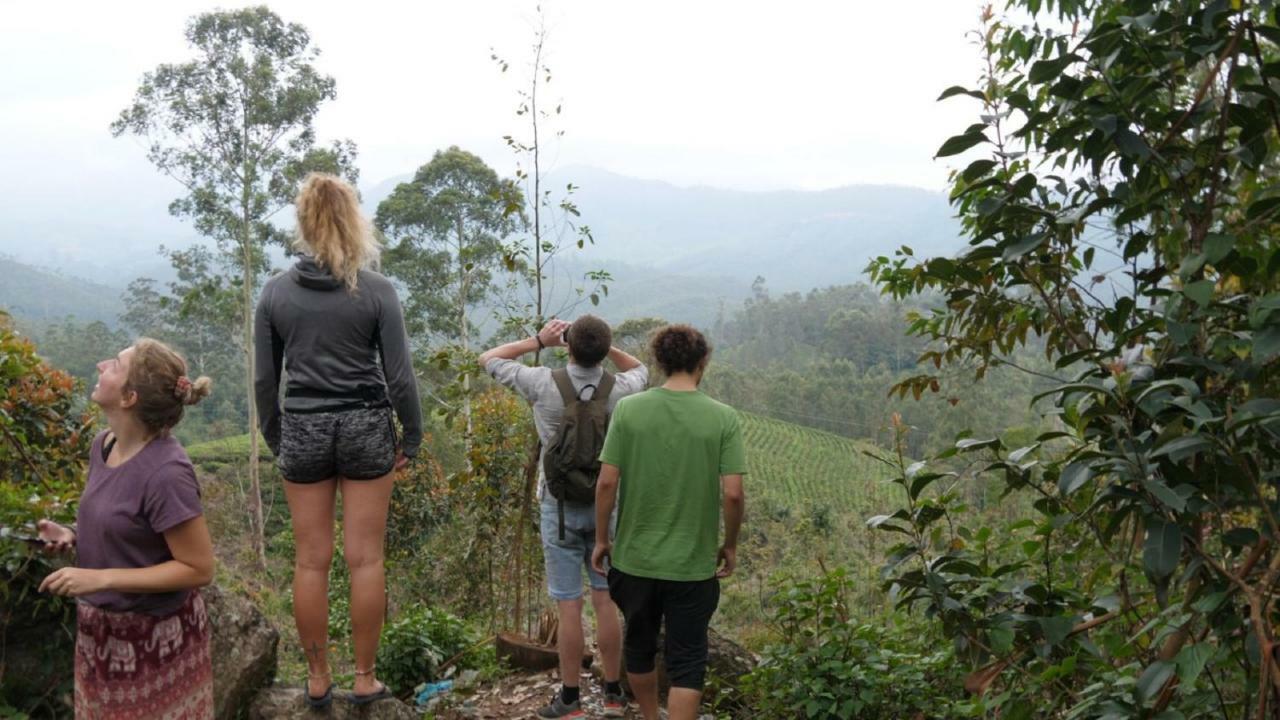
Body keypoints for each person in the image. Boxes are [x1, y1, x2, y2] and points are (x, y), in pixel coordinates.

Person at [254, 172, 423, 707]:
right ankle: (365, 678)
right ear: (355, 220)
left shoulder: (276, 292)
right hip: (365, 425)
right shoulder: (376, 291)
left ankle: (318, 678)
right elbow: (400, 377)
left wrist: (278, 436)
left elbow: (264, 379)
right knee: (365, 559)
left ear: (303, 224)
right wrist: (412, 436)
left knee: (310, 561)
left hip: (303, 425)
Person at [479, 315, 648, 719]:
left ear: (568, 347)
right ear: (603, 350)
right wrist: (606, 348)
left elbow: (488, 357)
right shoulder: (619, 390)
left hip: (558, 507)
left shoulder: (541, 383)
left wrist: (539, 340)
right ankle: (611, 694)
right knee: (604, 598)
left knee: (569, 605)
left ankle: (570, 699)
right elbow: (641, 369)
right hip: (605, 505)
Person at [37, 339, 216, 719]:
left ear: (129, 396)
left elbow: (199, 568)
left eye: (115, 365)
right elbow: (124, 529)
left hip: (156, 643)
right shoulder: (104, 445)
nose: (102, 365)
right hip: (100, 643)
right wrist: (71, 534)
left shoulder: (167, 473)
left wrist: (101, 578)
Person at [590, 324, 747, 720]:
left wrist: (601, 539)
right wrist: (729, 545)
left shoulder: (630, 409)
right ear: (703, 361)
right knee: (688, 659)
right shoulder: (723, 418)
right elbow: (733, 494)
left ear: (659, 361)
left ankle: (648, 715)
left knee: (639, 646)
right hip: (692, 566)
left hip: (634, 559)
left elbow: (607, 481)